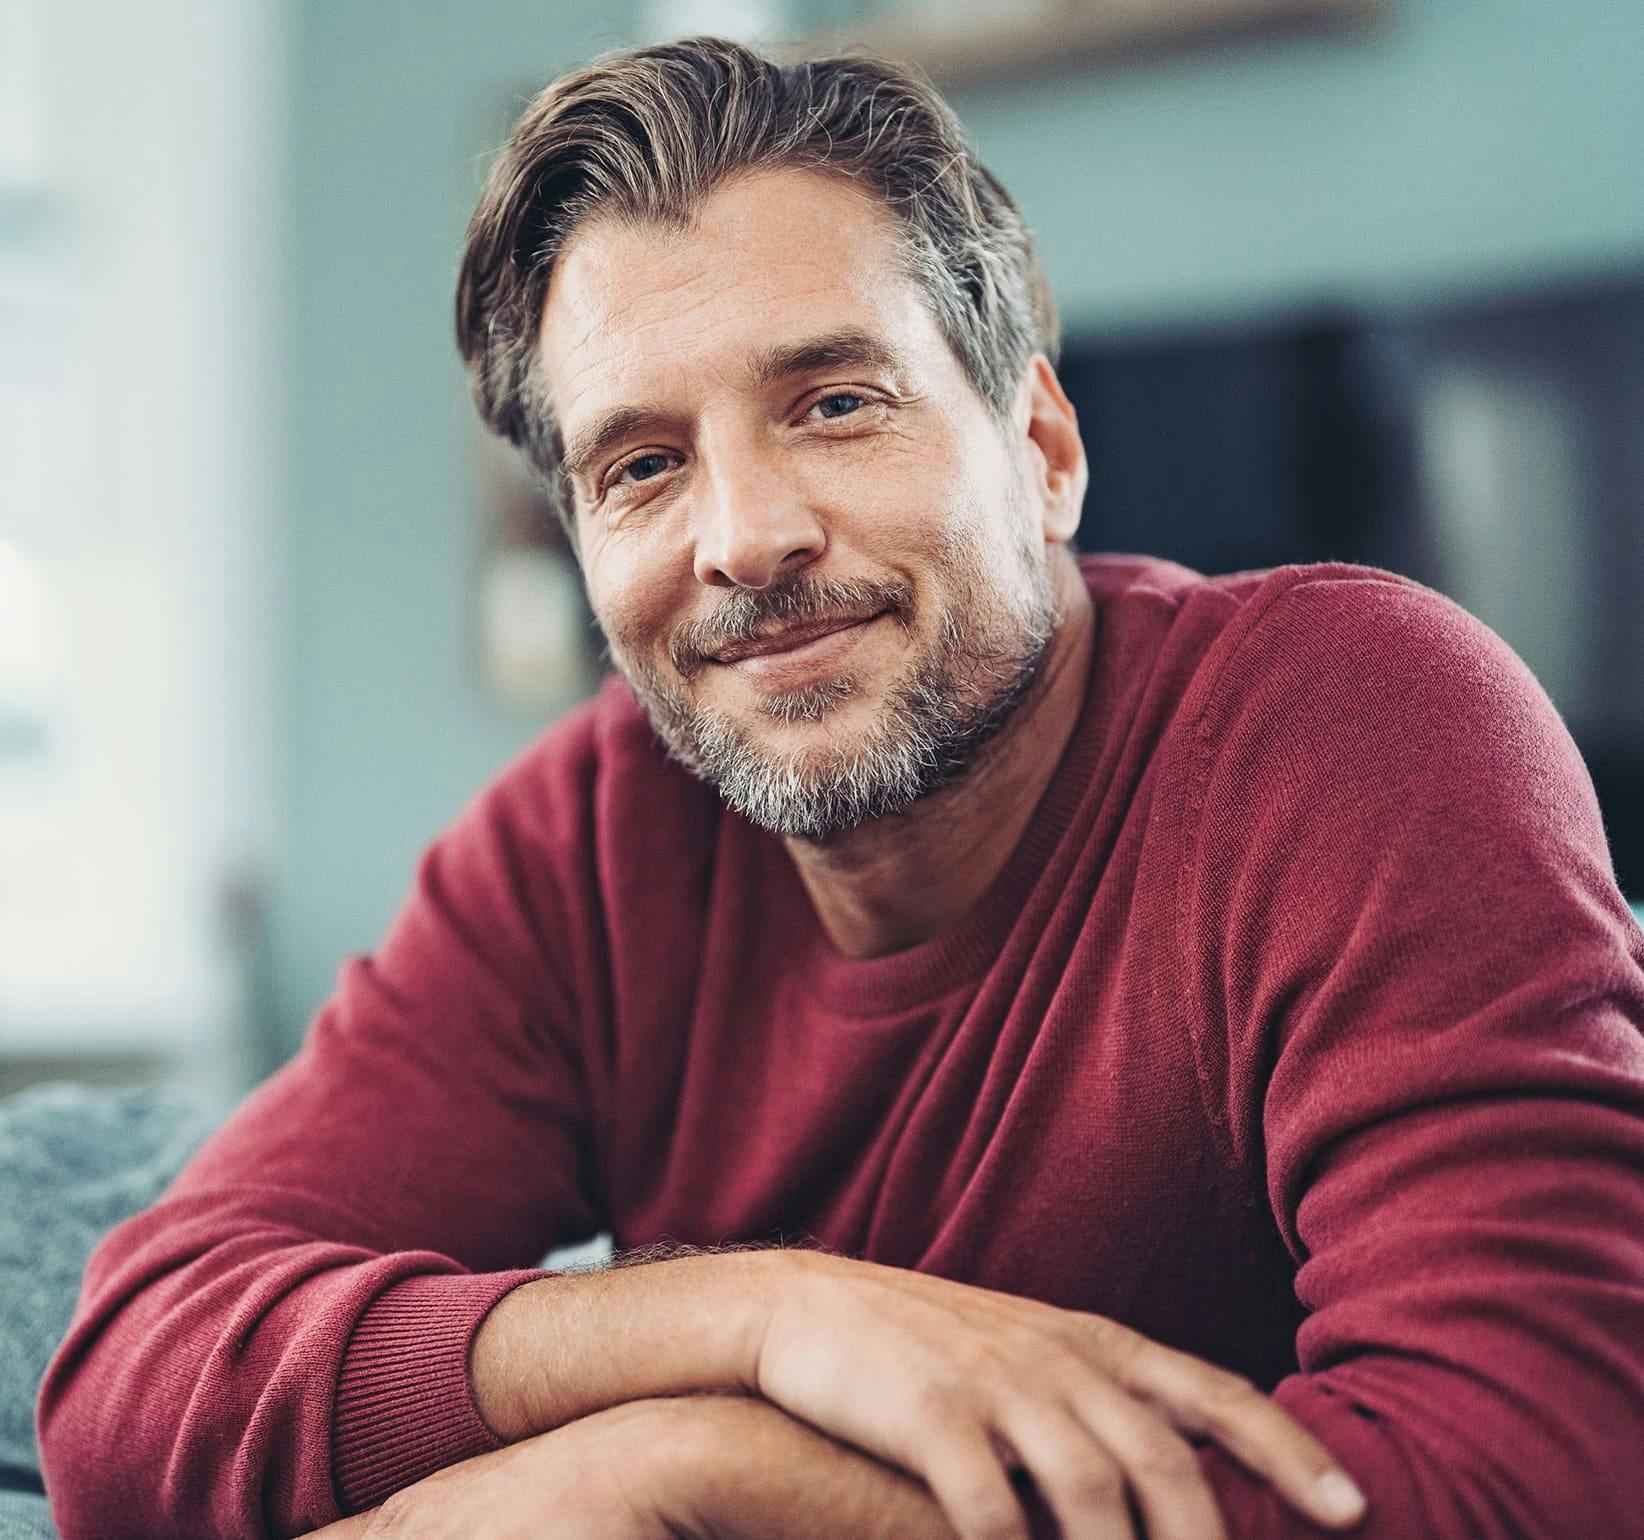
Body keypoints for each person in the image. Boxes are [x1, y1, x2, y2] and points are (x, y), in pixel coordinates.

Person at [35, 34, 1644, 1540]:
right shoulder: (592, 834)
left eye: (835, 404)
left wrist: (706, 1477)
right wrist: (756, 1316)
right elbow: (126, 1392)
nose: (745, 537)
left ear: (1044, 451)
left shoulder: (1352, 720)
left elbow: (1541, 1477)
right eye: (642, 466)